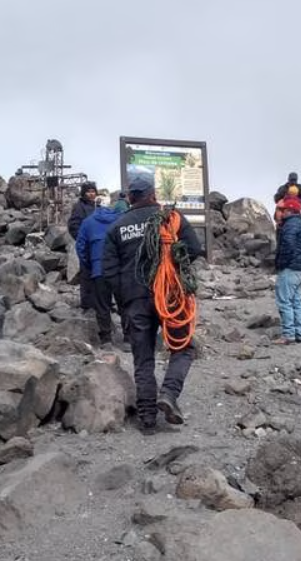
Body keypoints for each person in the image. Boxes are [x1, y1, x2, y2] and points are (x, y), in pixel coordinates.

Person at [103, 174, 204, 435]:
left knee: (143, 357)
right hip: (170, 295)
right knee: (183, 347)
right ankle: (169, 393)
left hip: (135, 301)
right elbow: (193, 248)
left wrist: (124, 299)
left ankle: (147, 417)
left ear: (131, 198)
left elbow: (109, 271)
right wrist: (174, 267)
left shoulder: (117, 228)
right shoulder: (172, 219)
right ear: (152, 195)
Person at [75, 196, 123, 345]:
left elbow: (80, 246)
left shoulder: (88, 222)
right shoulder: (121, 219)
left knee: (102, 305)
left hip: (98, 269)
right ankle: (128, 338)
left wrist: (88, 264)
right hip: (119, 269)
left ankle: (106, 339)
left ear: (95, 206)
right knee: (124, 304)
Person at [273, 197, 301, 344]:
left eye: (284, 210)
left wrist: (281, 262)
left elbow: (287, 244)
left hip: (290, 268)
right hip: (300, 268)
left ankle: (288, 335)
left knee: (284, 301)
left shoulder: (290, 225)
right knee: (297, 301)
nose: (281, 213)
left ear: (289, 211)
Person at [69, 181, 99, 310]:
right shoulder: (79, 207)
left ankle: (99, 303)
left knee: (98, 274)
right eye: (88, 191)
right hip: (87, 246)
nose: (91, 194)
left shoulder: (97, 206)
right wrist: (83, 240)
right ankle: (86, 305)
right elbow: (73, 226)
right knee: (86, 274)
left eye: (93, 191)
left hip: (98, 247)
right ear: (83, 193)